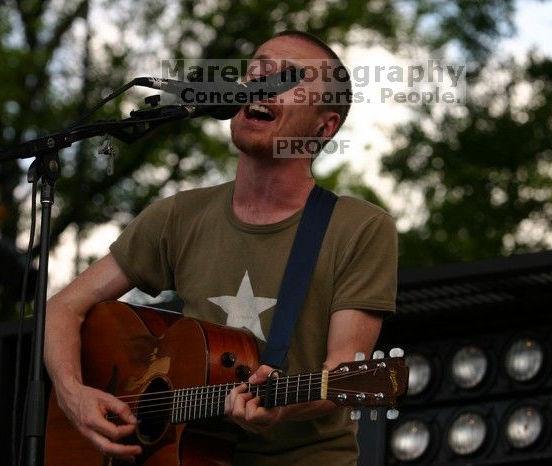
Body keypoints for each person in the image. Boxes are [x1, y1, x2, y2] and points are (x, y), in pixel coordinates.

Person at [44, 30, 398, 465]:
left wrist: (282, 404)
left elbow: (344, 375)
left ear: (324, 127)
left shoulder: (359, 227)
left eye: (287, 77)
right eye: (256, 71)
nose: (261, 82)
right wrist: (74, 395)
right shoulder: (178, 215)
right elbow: (64, 306)